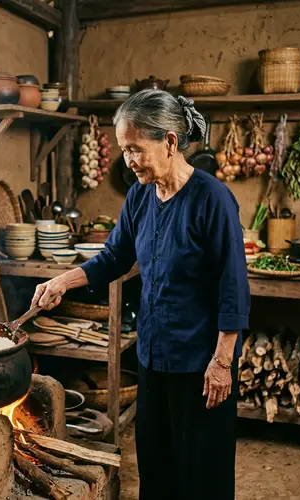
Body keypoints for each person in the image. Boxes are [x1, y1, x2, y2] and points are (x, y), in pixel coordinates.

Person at [31, 89, 250, 500]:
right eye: (123, 150)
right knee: (157, 467)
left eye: (135, 149)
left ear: (169, 141)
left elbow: (233, 284)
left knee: (202, 473)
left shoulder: (213, 199)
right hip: (154, 354)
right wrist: (62, 281)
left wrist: (223, 360)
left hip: (201, 365)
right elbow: (114, 257)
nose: (128, 160)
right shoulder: (139, 197)